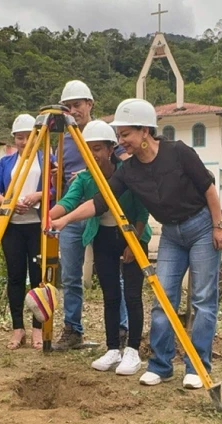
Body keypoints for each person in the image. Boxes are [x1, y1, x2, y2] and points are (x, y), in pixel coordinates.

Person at [51, 99, 222, 390]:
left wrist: (218, 226)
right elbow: (99, 202)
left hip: (201, 227)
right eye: (119, 136)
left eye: (126, 135)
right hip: (171, 234)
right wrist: (64, 220)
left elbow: (209, 188)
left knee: (203, 301)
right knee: (163, 298)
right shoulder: (129, 170)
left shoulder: (178, 153)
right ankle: (161, 365)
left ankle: (197, 367)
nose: (122, 142)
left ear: (145, 131)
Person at [50, 120, 151, 375]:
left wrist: (134, 240)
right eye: (88, 149)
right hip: (103, 236)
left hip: (132, 235)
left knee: (132, 294)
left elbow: (142, 209)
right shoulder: (84, 178)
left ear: (110, 149)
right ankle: (112, 348)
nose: (93, 155)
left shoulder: (127, 172)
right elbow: (68, 201)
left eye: (97, 148)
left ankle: (133, 351)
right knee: (110, 294)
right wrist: (50, 217)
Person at [54, 80, 128, 350]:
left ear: (90, 104)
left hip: (104, 213)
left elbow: (122, 171)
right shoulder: (63, 141)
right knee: (71, 275)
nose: (73, 110)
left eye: (77, 105)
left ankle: (122, 328)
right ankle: (73, 329)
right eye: (68, 106)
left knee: (111, 274)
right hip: (73, 213)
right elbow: (60, 182)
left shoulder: (106, 135)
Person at [0, 114, 52, 349]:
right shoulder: (6, 162)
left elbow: (57, 187)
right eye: (20, 137)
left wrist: (40, 194)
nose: (24, 142)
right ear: (14, 139)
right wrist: (9, 201)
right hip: (12, 227)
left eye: (29, 137)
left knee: (38, 278)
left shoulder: (47, 159)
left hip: (37, 226)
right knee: (15, 277)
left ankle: (38, 329)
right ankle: (18, 328)